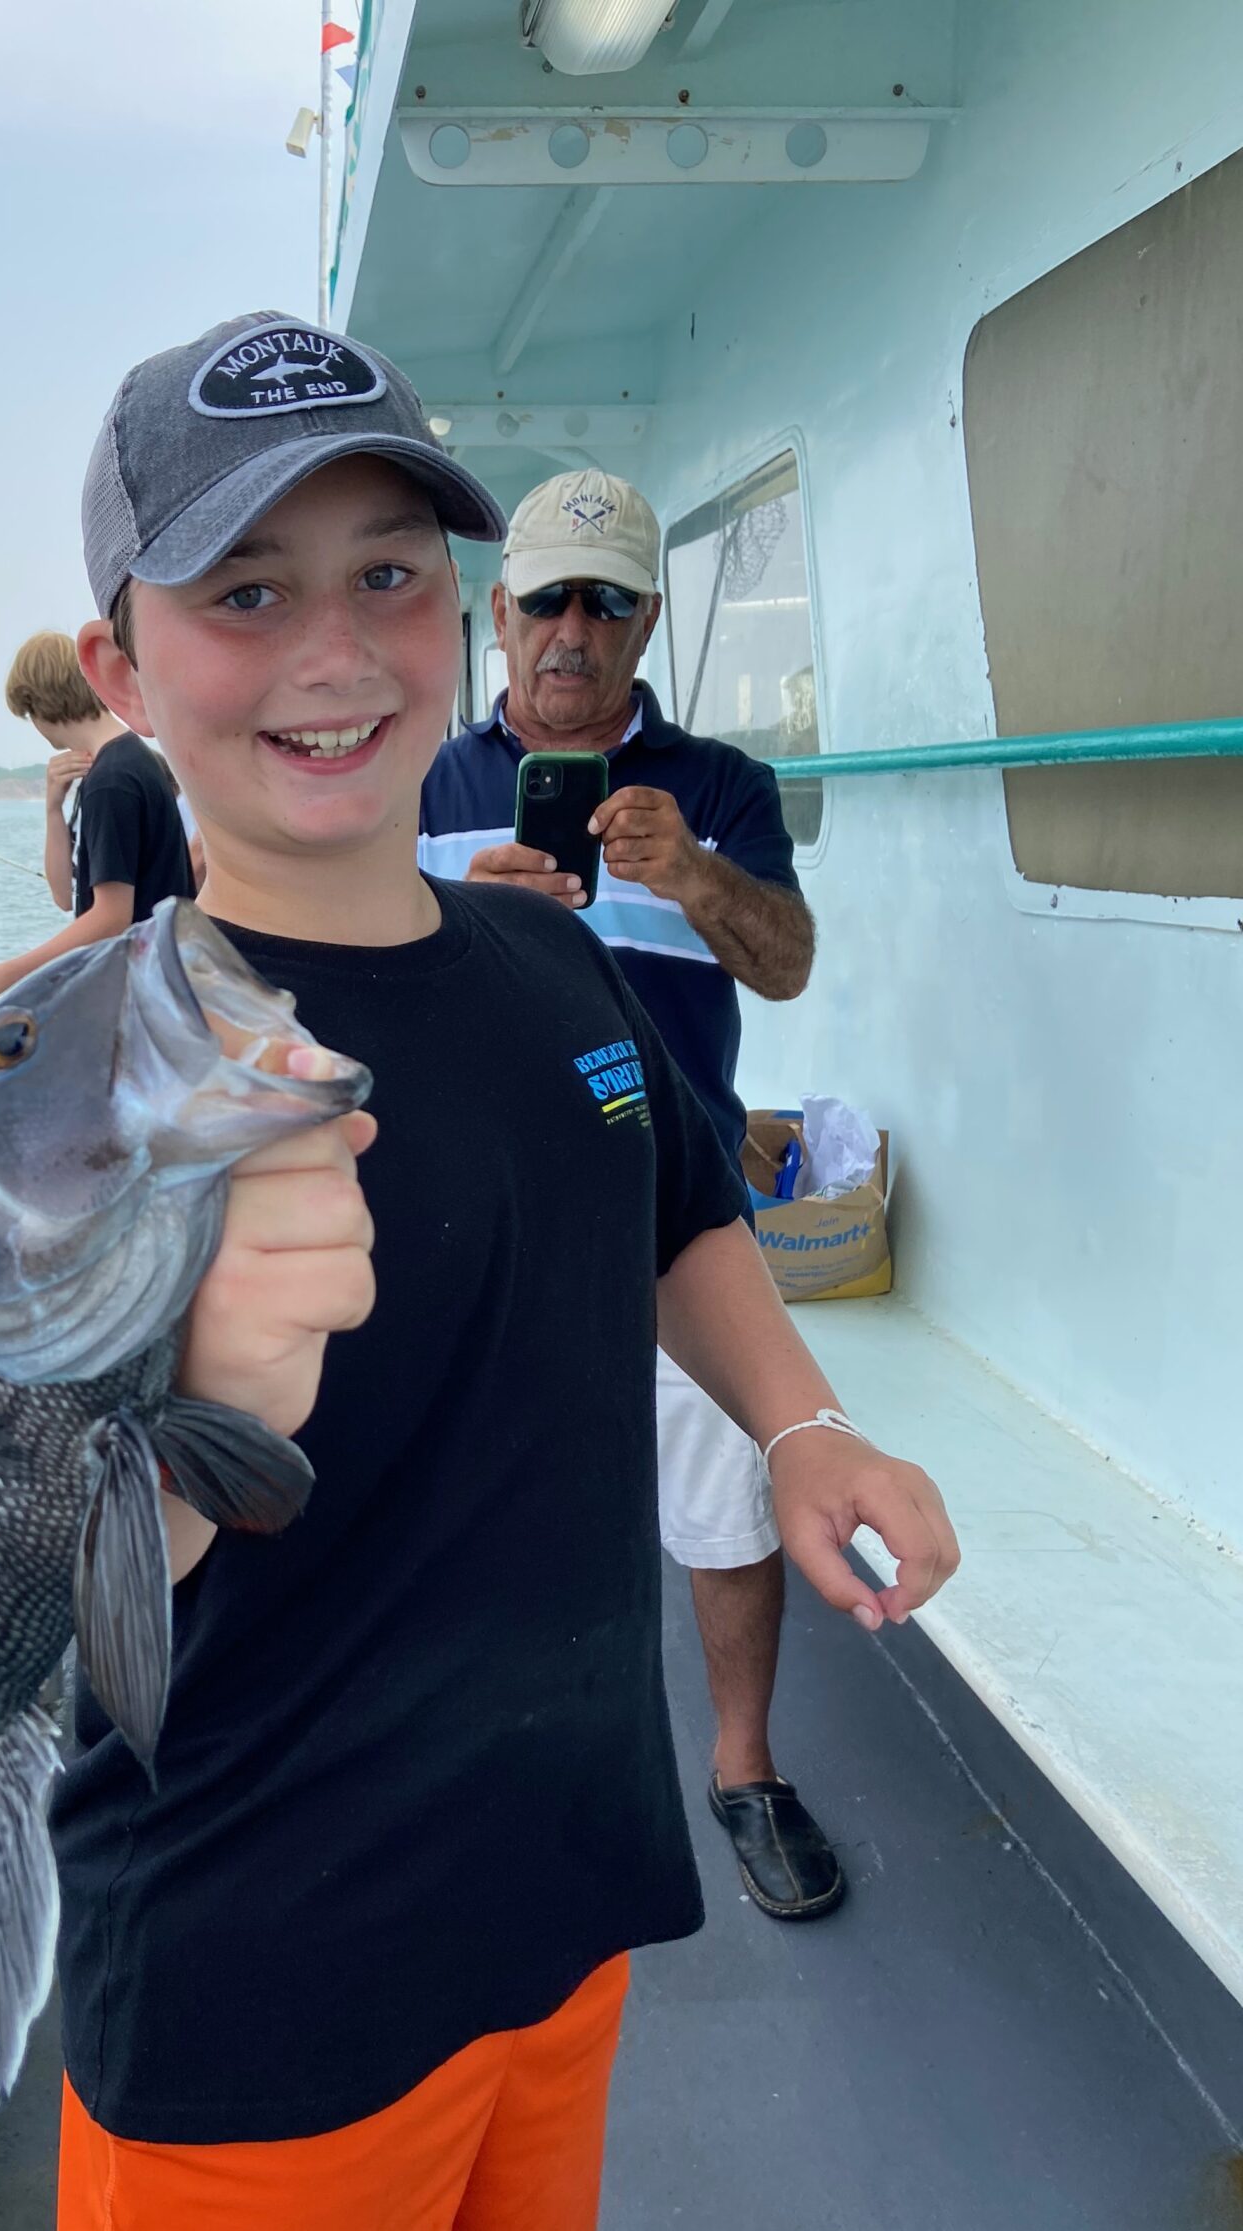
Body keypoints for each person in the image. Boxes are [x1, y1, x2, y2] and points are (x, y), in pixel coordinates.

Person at [27, 311, 959, 2231]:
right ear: (126, 669)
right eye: (244, 590)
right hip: (265, 1976)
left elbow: (676, 1208)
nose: (331, 648)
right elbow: (18, 1598)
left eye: (386, 573)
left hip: (558, 1894)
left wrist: (804, 1422)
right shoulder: (88, 1092)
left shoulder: (562, 977)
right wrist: (206, 1407)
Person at [419, 470, 839, 1922]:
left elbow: (785, 965)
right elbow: (333, 984)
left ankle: (743, 1768)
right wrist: (456, 915)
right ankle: (498, 1756)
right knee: (479, 1499)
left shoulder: (720, 787)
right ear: (501, 613)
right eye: (549, 598)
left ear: (648, 619)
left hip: (679, 1213)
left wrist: (697, 871)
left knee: (727, 1502)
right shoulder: (424, 781)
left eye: (607, 602)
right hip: (484, 1211)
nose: (574, 631)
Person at [0, 629, 193, 1011]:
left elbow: (111, 917)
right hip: (159, 982)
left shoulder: (112, 781)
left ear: (36, 703)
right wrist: (53, 808)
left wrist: (8, 974)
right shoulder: (124, 763)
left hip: (143, 993)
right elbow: (62, 895)